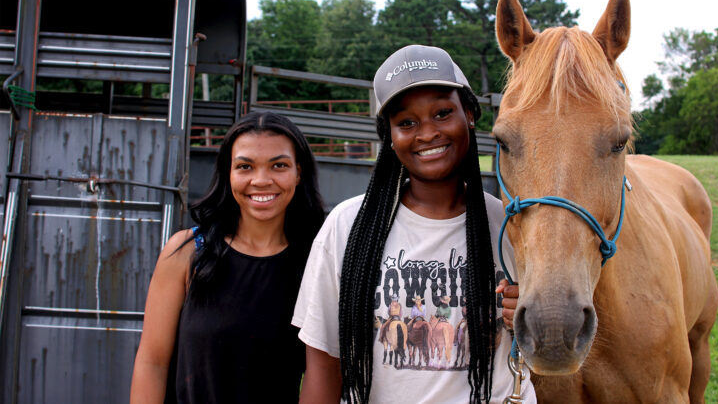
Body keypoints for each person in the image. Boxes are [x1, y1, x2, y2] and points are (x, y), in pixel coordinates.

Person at [292, 45, 535, 403]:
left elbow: (552, 357)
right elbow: (324, 365)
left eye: (442, 113)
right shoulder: (346, 227)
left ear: (469, 113)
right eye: (406, 123)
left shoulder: (511, 227)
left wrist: (530, 320)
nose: (426, 133)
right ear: (389, 136)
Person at [130, 112, 325, 403]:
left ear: (298, 172)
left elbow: (321, 375)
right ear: (228, 172)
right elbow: (152, 363)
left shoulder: (318, 262)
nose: (261, 180)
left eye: (279, 165)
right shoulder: (187, 251)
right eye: (245, 166)